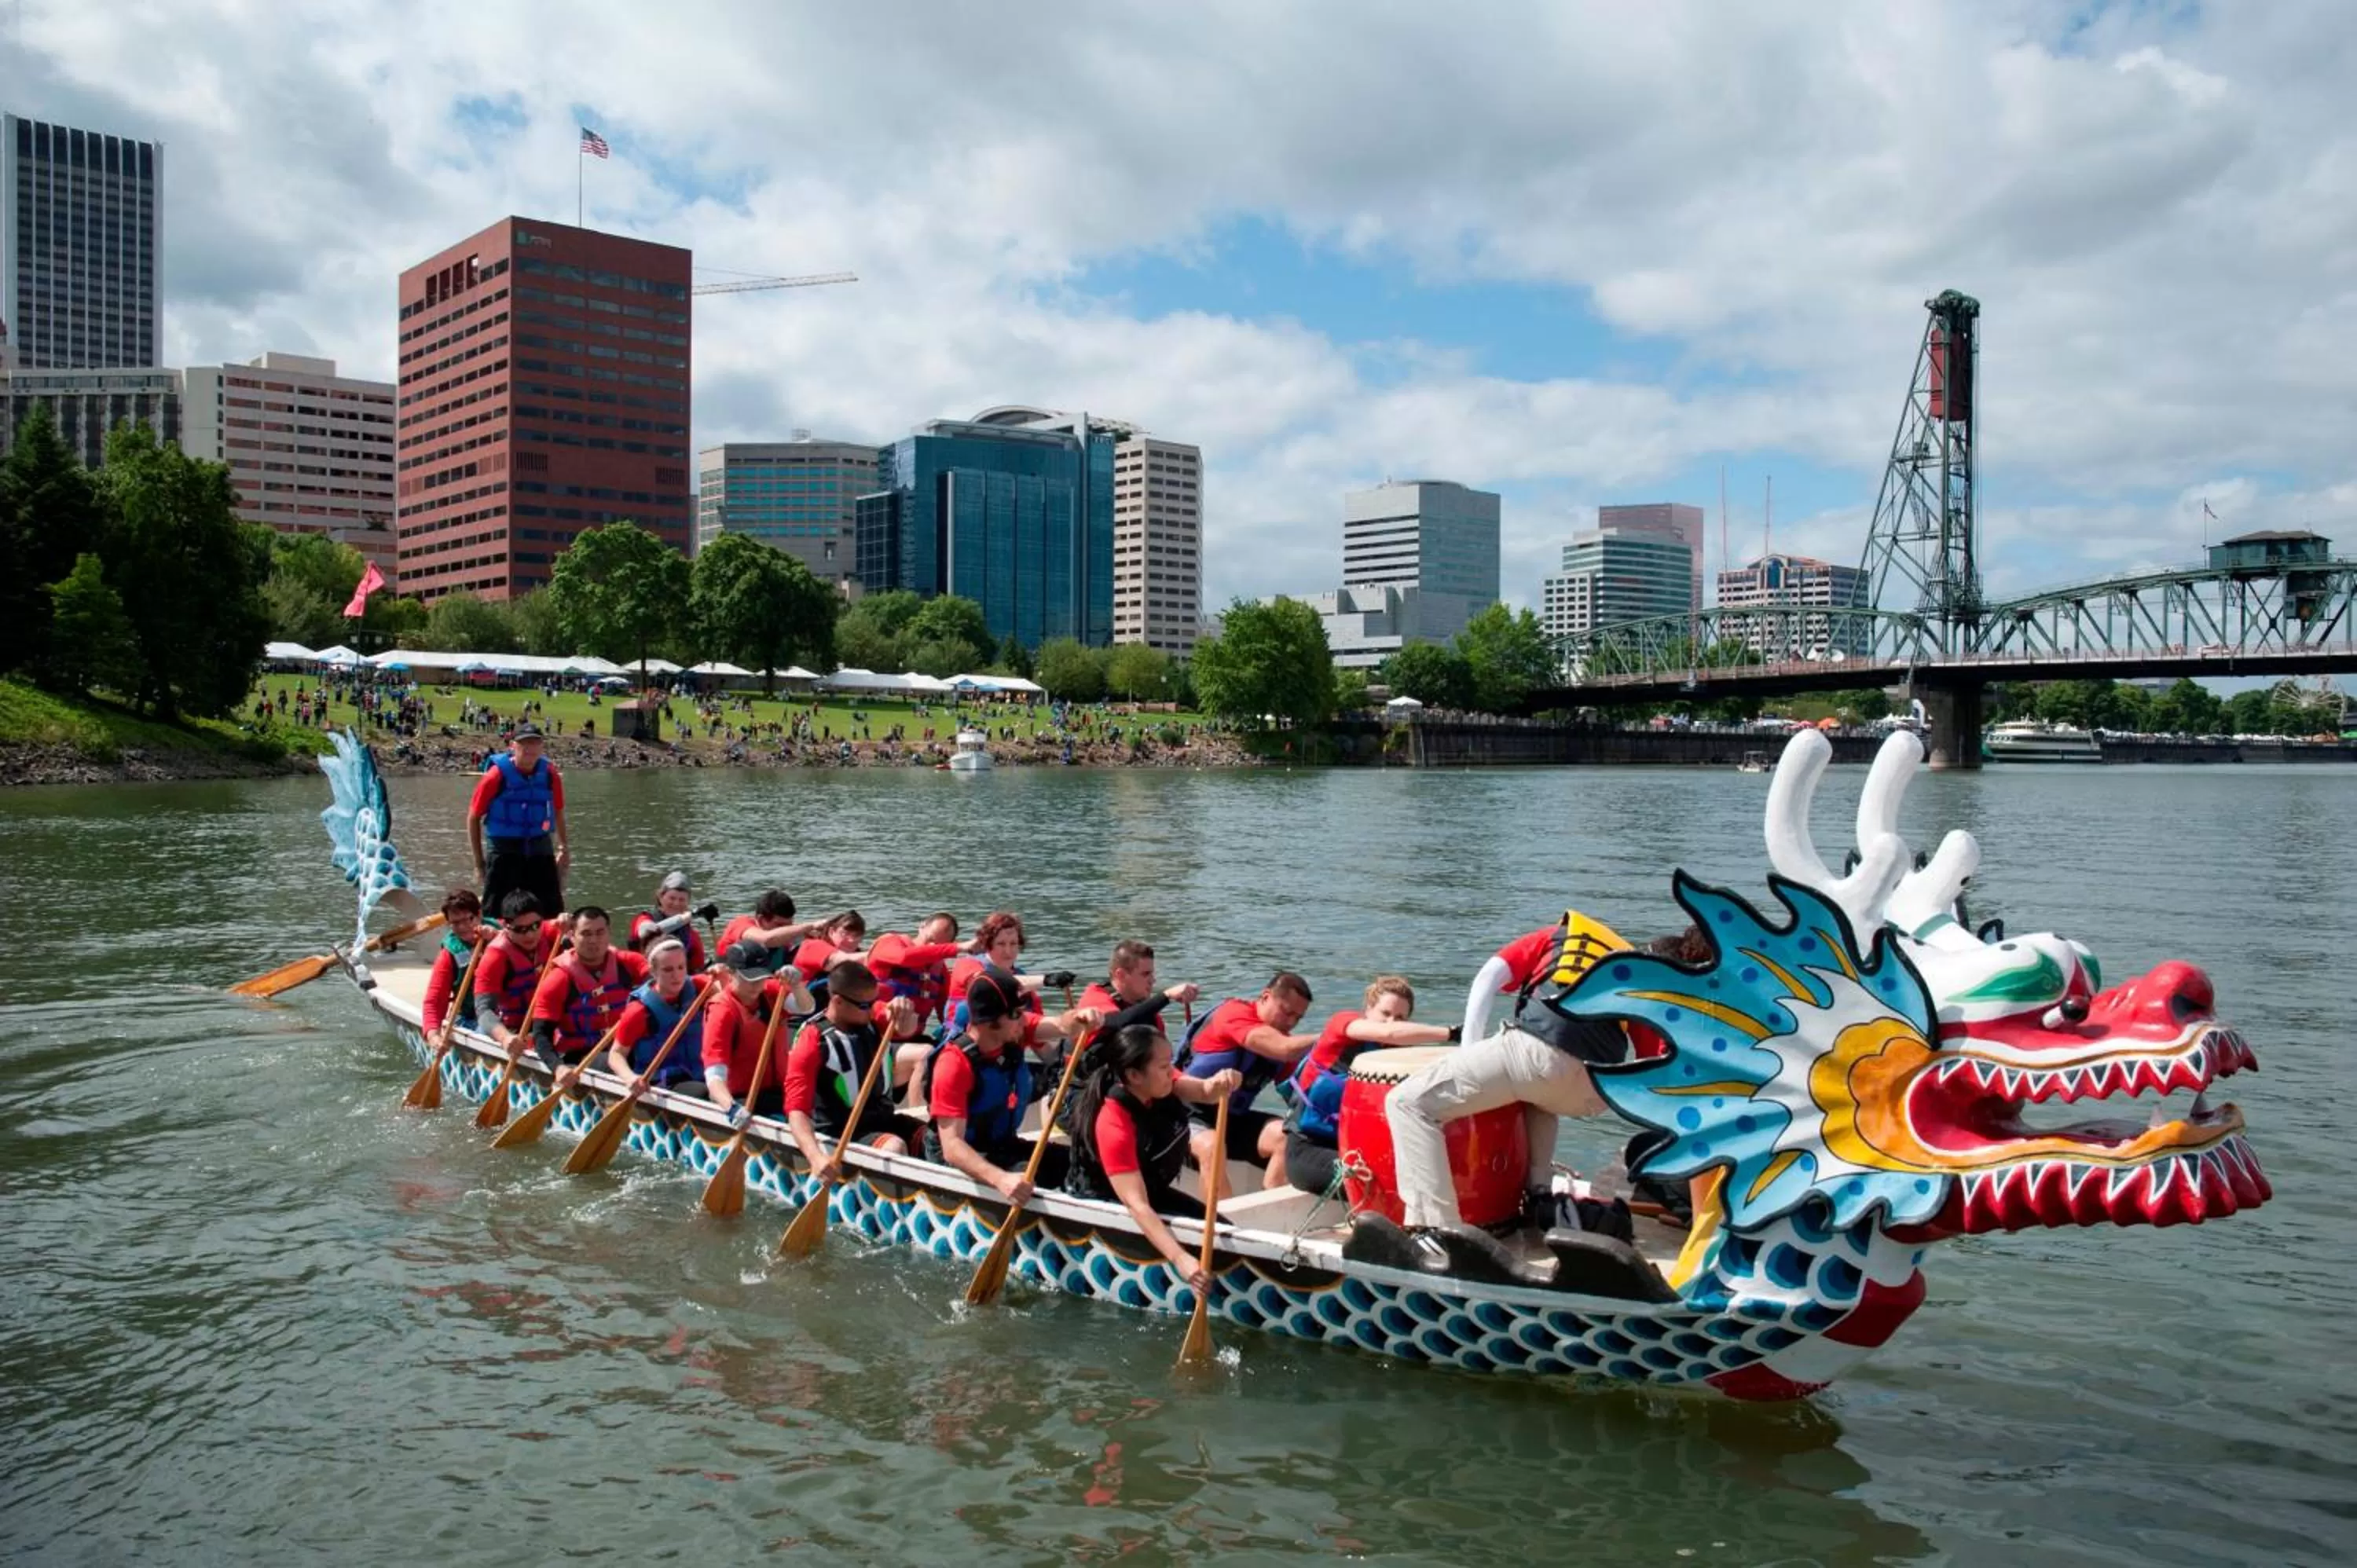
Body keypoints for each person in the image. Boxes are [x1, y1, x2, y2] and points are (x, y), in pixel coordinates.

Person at [1385, 910, 1640, 1234]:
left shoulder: (1551, 936)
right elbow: (1653, 1060)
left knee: (1407, 1103)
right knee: (1539, 1099)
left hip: (1538, 1055)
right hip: (1594, 1091)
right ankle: (1540, 1198)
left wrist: (1469, 1051)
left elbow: (1488, 978)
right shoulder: (1633, 966)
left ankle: (1437, 1229)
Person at [1063, 1025, 1241, 1289]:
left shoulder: (1161, 1084)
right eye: (1163, 1066)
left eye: (1170, 1061)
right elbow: (1137, 1204)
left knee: (1222, 1231)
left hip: (1150, 1188)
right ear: (1134, 1075)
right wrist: (1181, 1259)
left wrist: (1225, 1080)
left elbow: (1206, 1091)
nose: (1171, 1070)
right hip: (1111, 1199)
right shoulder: (1113, 1122)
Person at [923, 965, 1101, 1202]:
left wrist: (1081, 1018)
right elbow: (952, 1147)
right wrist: (1001, 1179)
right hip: (960, 1158)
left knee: (1082, 1164)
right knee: (1027, 1175)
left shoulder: (1013, 1032)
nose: (1023, 1019)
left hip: (1003, 1145)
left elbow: (1061, 1025)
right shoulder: (954, 1064)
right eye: (1016, 1014)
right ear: (990, 1023)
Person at [1284, 976, 1457, 1199]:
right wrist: (1452, 1033)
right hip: (1308, 1149)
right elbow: (1389, 1033)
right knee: (1380, 1180)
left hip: (1354, 1151)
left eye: (1400, 1018)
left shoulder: (1398, 1057)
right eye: (1385, 1014)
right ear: (1368, 1010)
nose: (1391, 1022)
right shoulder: (1343, 1024)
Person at [783, 959, 924, 1181]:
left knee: (934, 1137)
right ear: (838, 1001)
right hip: (840, 1133)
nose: (873, 1009)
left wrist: (904, 1012)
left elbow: (905, 1029)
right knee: (893, 1147)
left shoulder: (870, 1016)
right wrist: (816, 1158)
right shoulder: (813, 1041)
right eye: (865, 1005)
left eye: (875, 1001)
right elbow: (796, 1110)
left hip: (882, 1120)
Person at [1176, 972, 1319, 1192]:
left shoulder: (1284, 1046)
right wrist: (1333, 1037)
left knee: (1286, 1138)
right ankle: (1222, 1224)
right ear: (1265, 997)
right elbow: (1283, 1048)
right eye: (1286, 1012)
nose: (1290, 1023)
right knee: (1213, 1147)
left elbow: (1302, 1096)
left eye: (1297, 1018)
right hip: (1183, 1114)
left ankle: (1272, 1212)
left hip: (1232, 1120)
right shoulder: (1233, 1013)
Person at [700, 939, 814, 1123]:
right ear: (730, 973)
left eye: (761, 977)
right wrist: (731, 1108)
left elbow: (806, 1008)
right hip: (742, 1097)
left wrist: (797, 986)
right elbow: (714, 1075)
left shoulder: (770, 993)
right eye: (748, 979)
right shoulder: (722, 1010)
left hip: (779, 1091)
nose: (756, 985)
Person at [526, 906, 648, 1067]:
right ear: (572, 936)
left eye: (600, 932)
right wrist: (558, 1068)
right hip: (578, 1057)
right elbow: (541, 1034)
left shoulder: (628, 962)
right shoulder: (558, 978)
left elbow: (665, 980)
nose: (594, 940)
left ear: (608, 933)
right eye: (586, 933)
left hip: (622, 1048)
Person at [467, 723, 568, 919]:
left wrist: (564, 848)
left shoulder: (550, 775)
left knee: (551, 910)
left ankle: (551, 946)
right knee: (496, 911)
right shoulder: (495, 776)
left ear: (542, 747)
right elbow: (473, 817)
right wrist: (479, 863)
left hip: (540, 848)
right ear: (513, 746)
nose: (529, 749)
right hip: (504, 851)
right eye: (524, 744)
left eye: (534, 743)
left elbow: (558, 811)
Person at [603, 937, 712, 1097]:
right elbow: (616, 1054)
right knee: (701, 1092)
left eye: (681, 967)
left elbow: (733, 993)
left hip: (700, 1074)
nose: (677, 975)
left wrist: (723, 977)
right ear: (653, 971)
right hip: (662, 1083)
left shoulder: (701, 987)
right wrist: (630, 1078)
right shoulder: (639, 1010)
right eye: (668, 970)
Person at [471, 892, 561, 1050]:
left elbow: (594, 947)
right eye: (520, 929)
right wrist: (505, 1037)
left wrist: (571, 923)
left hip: (548, 1023)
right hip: (513, 1030)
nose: (530, 935)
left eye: (535, 926)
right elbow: (484, 1010)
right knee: (484, 1029)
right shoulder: (495, 957)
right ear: (506, 927)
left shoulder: (553, 933)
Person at [867, 911, 966, 1043]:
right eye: (930, 939)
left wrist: (952, 1032)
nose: (931, 948)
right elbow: (903, 957)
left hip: (912, 1039)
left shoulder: (939, 970)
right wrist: (960, 948)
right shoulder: (890, 942)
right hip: (874, 1036)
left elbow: (947, 1012)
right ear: (921, 927)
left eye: (938, 946)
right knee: (923, 1054)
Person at [1078, 940, 1200, 1041]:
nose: (1153, 980)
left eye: (1152, 973)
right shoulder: (1095, 996)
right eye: (1146, 974)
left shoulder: (1150, 1016)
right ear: (1121, 975)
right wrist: (1166, 996)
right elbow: (1117, 1022)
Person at [421, 888, 486, 1036]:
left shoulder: (503, 933)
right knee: (486, 1029)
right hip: (471, 1018)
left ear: (479, 915)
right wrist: (432, 1035)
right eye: (455, 923)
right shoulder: (449, 954)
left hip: (508, 1013)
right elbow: (434, 1001)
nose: (462, 927)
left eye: (468, 919)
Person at [629, 870, 719, 973]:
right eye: (672, 898)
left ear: (688, 902)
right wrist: (692, 915)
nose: (676, 903)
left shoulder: (691, 936)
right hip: (645, 978)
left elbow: (697, 968)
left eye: (682, 900)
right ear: (661, 897)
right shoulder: (644, 919)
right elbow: (647, 932)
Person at [719, 889, 825, 958]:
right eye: (780, 925)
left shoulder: (788, 934)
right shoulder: (740, 924)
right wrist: (811, 926)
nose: (785, 930)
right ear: (761, 919)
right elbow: (766, 940)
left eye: (789, 925)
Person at [791, 910, 868, 984]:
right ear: (831, 932)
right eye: (845, 934)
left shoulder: (859, 955)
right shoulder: (811, 946)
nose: (851, 940)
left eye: (857, 936)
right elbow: (838, 960)